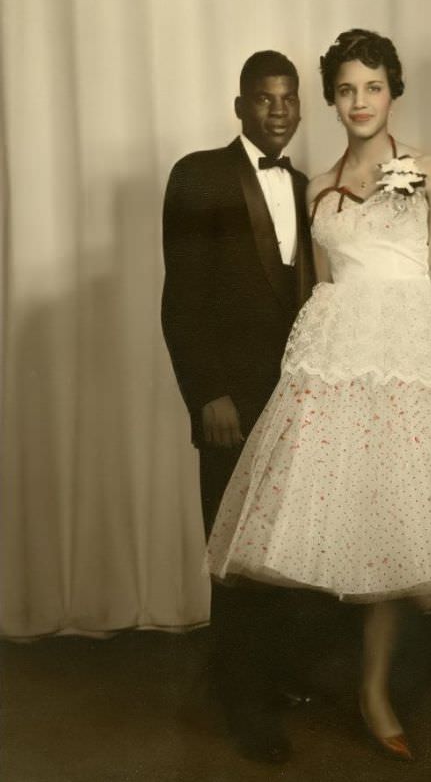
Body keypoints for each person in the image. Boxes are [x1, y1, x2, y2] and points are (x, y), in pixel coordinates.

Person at [204, 30, 431, 762]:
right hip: (336, 362)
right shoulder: (315, 187)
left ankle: (374, 690)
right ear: (330, 100)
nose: (359, 101)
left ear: (393, 91)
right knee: (341, 527)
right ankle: (320, 678)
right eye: (345, 89)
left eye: (372, 86)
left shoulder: (429, 170)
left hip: (411, 355)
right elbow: (316, 286)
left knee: (403, 528)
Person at [161, 50, 315, 763]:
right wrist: (205, 391)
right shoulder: (197, 174)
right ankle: (242, 702)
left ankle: (272, 676)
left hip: (296, 401)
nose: (276, 111)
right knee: (235, 552)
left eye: (288, 99)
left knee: (282, 548)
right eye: (264, 99)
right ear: (240, 105)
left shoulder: (311, 186)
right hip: (229, 399)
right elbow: (181, 294)